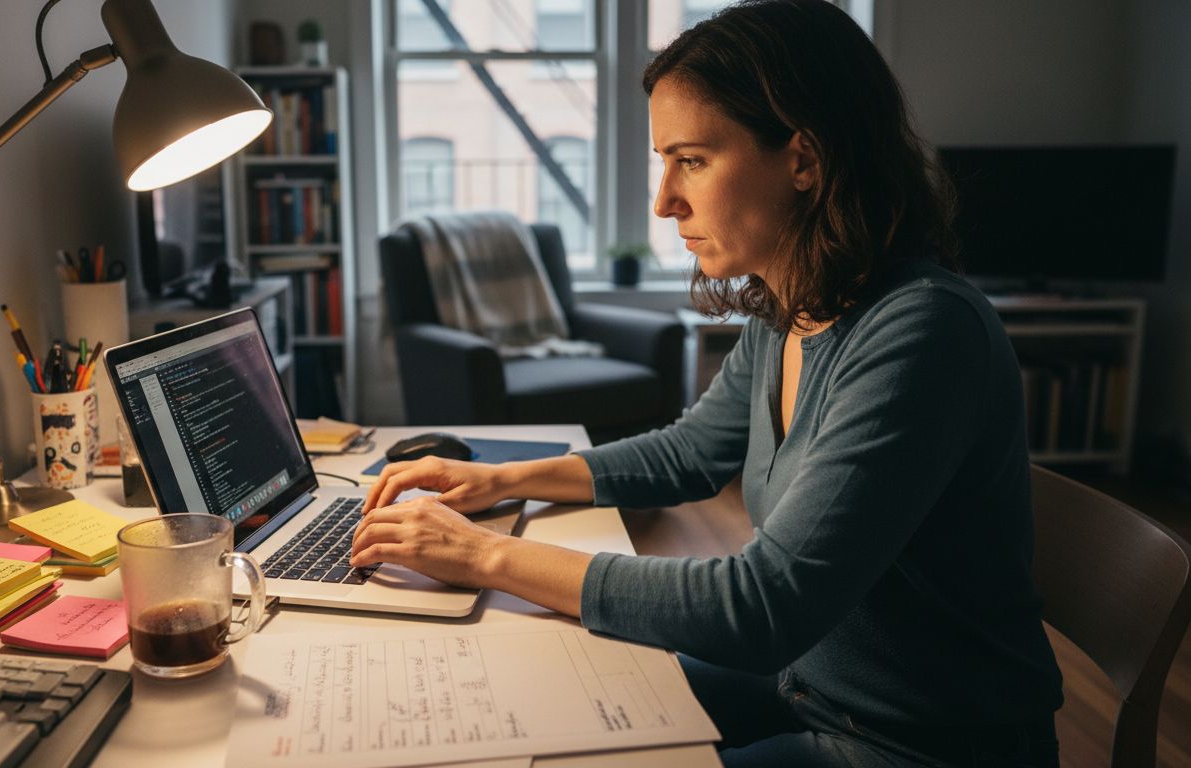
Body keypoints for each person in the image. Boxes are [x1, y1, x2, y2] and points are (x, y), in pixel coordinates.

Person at [351, 1, 1063, 765]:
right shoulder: (793, 306)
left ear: (804, 158)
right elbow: (689, 452)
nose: (664, 201)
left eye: (691, 160)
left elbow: (762, 607)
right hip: (804, 686)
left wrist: (483, 557)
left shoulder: (922, 332)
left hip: (916, 743)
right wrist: (497, 480)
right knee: (531, 701)